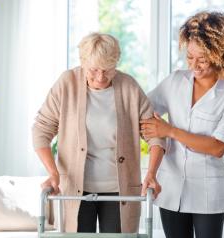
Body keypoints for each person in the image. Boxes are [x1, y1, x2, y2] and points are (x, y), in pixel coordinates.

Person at [32, 32, 165, 234]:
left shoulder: (129, 86)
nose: (101, 77)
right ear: (83, 63)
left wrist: (152, 174)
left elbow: (156, 134)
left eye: (108, 70)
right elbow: (41, 129)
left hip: (119, 192)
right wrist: (52, 172)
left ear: (116, 64)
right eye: (93, 70)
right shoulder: (67, 83)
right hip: (75, 190)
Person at [140, 11, 224, 238]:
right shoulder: (175, 81)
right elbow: (142, 111)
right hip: (170, 188)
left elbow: (217, 147)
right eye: (190, 57)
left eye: (203, 59)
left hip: (207, 193)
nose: (194, 65)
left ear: (222, 55)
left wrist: (170, 131)